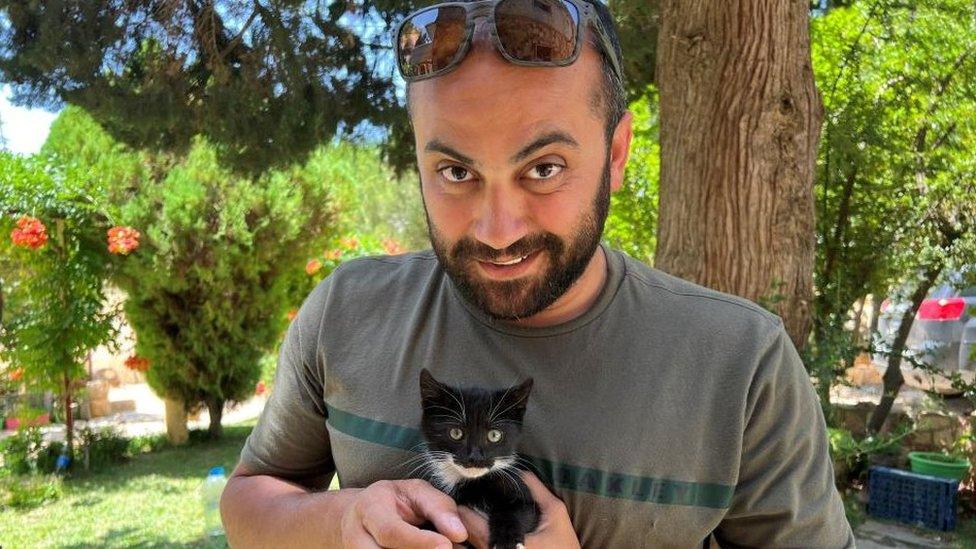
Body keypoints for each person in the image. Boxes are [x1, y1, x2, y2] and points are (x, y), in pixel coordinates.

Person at [220, 0, 856, 547]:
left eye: (544, 168)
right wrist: (342, 521)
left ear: (615, 154)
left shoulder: (743, 364)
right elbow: (249, 503)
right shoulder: (346, 312)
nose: (498, 231)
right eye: (455, 172)